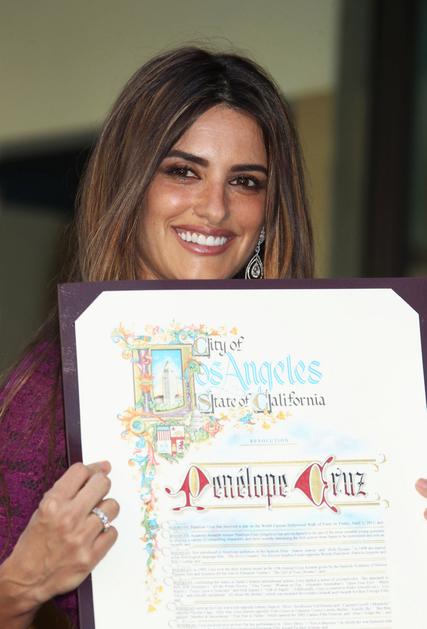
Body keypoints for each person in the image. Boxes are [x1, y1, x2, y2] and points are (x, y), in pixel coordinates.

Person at [0, 46, 425, 629]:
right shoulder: (42, 400)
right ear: (130, 185)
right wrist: (20, 587)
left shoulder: (352, 376)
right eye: (183, 171)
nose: (215, 208)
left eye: (245, 181)